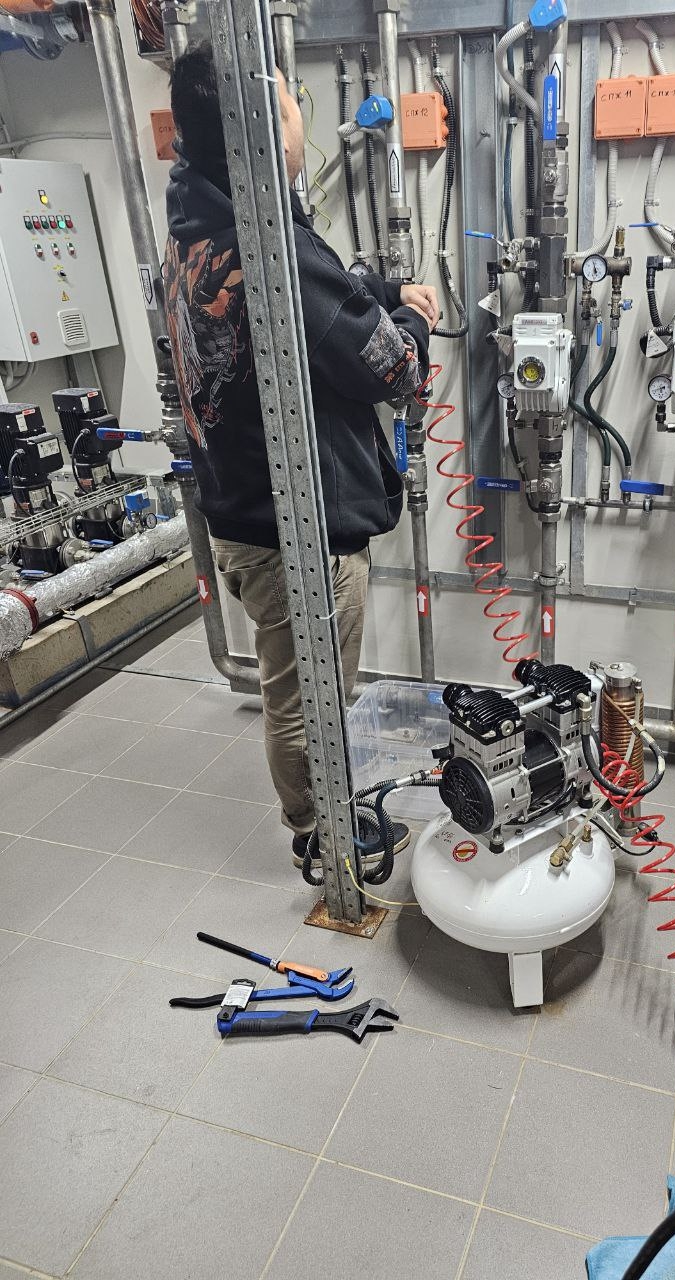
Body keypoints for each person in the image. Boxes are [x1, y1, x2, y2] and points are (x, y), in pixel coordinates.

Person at [164, 45, 438, 869]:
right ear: (259, 128)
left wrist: (376, 294)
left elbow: (308, 308)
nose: (298, 117)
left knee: (299, 686)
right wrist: (414, 321)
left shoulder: (195, 229)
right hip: (296, 537)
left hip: (238, 512)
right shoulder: (274, 247)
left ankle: (323, 818)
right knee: (306, 696)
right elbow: (394, 370)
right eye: (287, 103)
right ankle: (322, 838)